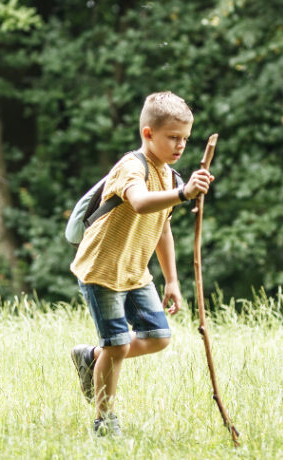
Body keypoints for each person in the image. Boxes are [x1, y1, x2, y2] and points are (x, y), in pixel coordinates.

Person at [68, 92, 215, 436]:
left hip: (135, 273)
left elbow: (162, 227)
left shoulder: (170, 176)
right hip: (101, 270)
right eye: (173, 138)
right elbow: (139, 203)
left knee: (159, 337)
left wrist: (172, 281)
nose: (180, 145)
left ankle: (91, 357)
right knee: (117, 345)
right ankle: (104, 421)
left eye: (185, 139)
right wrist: (184, 194)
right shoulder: (132, 167)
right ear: (148, 133)